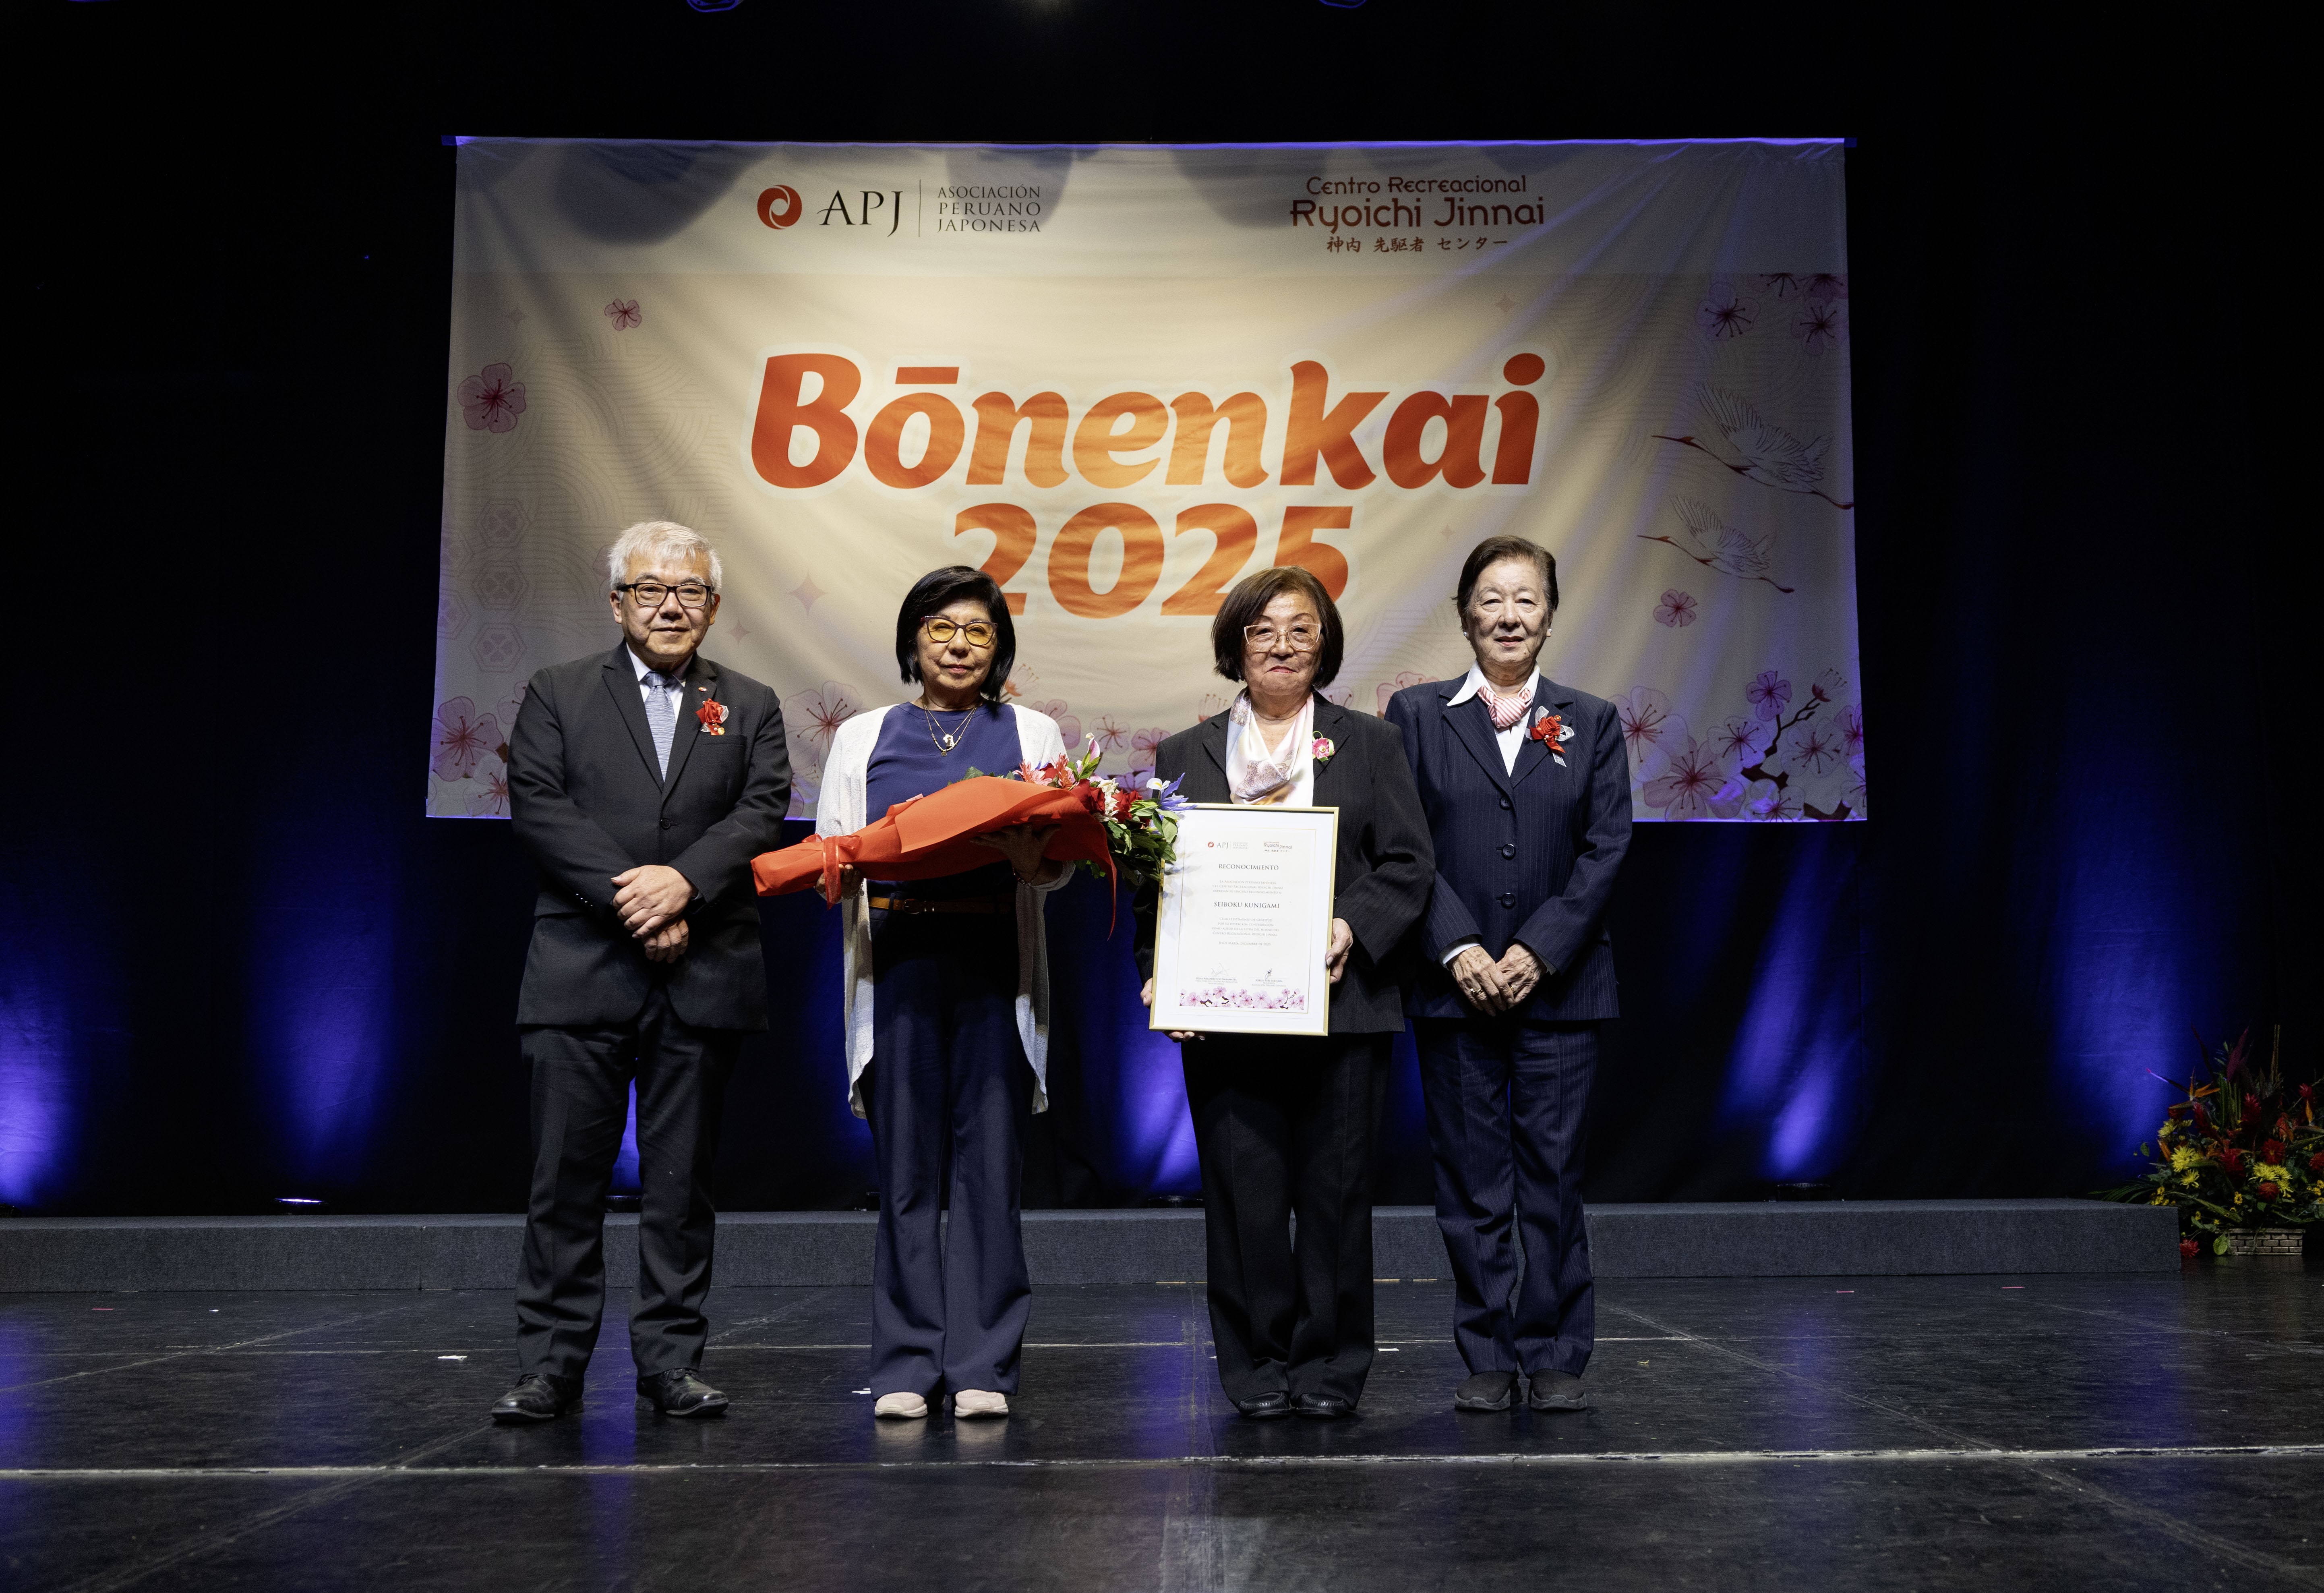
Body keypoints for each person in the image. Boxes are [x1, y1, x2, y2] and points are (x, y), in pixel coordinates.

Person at [493, 520, 791, 1423]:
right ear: (618, 602)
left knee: (680, 1186)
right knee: (563, 1181)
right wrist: (640, 901)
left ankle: (671, 1364)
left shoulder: (751, 703)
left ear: (714, 606)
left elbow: (761, 811)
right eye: (651, 589)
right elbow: (539, 806)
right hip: (581, 968)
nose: (671, 606)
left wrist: (684, 886)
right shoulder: (558, 691)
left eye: (690, 591)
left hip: (704, 970)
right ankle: (550, 1367)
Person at [1136, 567, 1433, 1419]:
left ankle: (1330, 1368)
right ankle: (1257, 1366)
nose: (1282, 645)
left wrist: (1349, 926)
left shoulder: (1370, 742)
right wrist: (1161, 972)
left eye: (1302, 629)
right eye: (1263, 629)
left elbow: (1409, 863)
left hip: (1343, 1004)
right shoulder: (1183, 753)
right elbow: (1159, 878)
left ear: (1324, 644)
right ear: (1234, 644)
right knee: (1244, 1198)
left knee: (1337, 1197)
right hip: (1224, 1012)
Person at [1383, 535, 1631, 1415]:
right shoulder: (1416, 715)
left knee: (1554, 1181)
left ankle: (1556, 1350)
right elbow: (1404, 845)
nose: (1510, 616)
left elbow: (1606, 848)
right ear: (1464, 615)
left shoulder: (1592, 719)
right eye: (1491, 599)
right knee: (1472, 1184)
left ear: (1551, 615)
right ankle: (1488, 1351)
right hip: (1454, 990)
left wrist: (1537, 950)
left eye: (1527, 599)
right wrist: (1458, 946)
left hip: (1561, 990)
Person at [817, 567, 1072, 1421]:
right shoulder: (863, 737)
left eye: (979, 632)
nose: (959, 646)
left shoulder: (1032, 731)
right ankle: (905, 1362)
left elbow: (1060, 863)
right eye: (941, 629)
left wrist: (1041, 864)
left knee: (991, 1170)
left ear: (1000, 649)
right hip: (898, 964)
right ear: (913, 641)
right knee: (905, 1171)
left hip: (996, 962)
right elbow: (831, 853)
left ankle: (982, 1366)